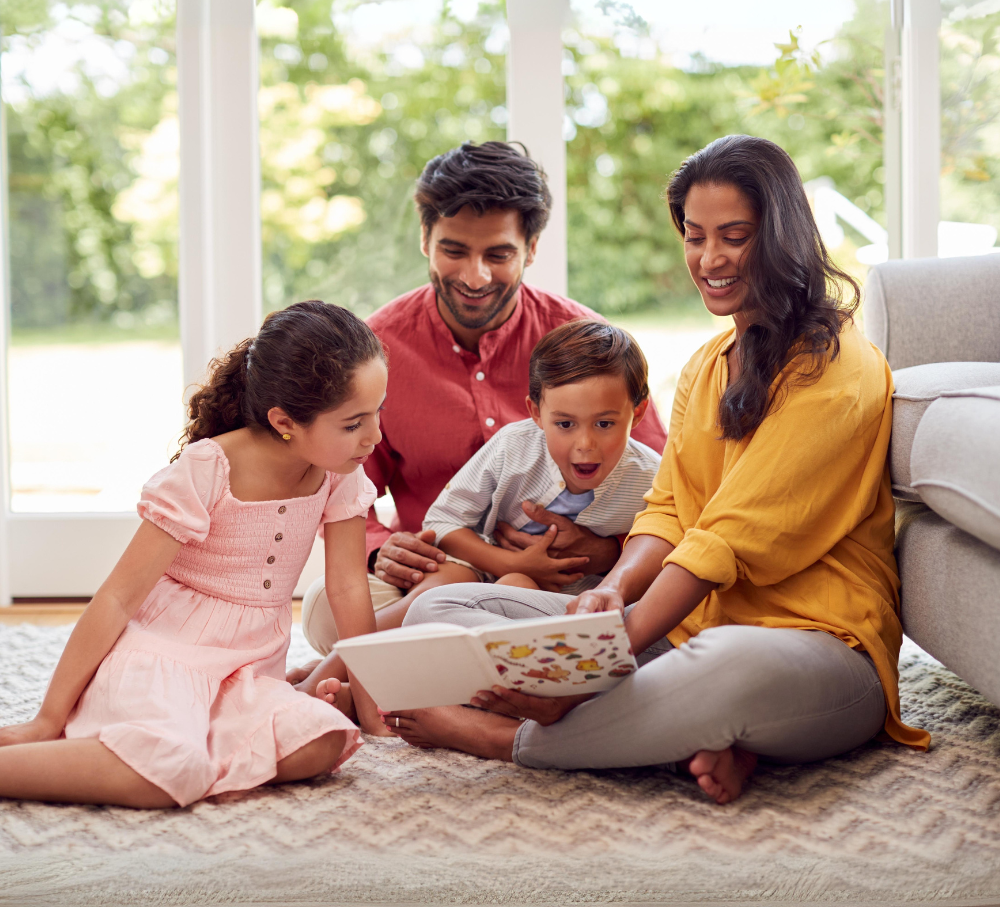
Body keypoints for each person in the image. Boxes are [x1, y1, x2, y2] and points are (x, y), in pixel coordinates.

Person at [381, 135, 931, 805]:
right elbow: (669, 508)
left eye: (735, 235)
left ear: (781, 235)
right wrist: (611, 592)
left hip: (813, 649)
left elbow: (725, 536)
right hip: (688, 630)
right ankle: (695, 741)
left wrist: (602, 649)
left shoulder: (839, 369)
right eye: (695, 235)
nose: (710, 258)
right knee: (442, 607)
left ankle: (508, 738)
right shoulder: (706, 364)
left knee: (725, 673)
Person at [292, 141, 666, 682]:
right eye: (453, 250)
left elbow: (663, 488)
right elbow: (336, 485)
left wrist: (606, 549)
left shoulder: (585, 348)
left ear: (531, 248)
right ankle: (475, 665)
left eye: (497, 254)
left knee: (653, 601)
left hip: (567, 579)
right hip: (435, 567)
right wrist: (379, 550)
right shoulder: (375, 350)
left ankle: (415, 670)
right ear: (424, 239)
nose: (474, 276)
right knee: (330, 605)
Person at [0, 301, 388, 808]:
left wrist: (375, 705)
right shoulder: (210, 468)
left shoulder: (341, 470)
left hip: (249, 665)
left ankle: (184, 758)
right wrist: (47, 718)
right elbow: (117, 597)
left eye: (378, 412)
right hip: (164, 650)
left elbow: (347, 586)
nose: (374, 436)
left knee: (325, 739)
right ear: (285, 421)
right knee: (169, 763)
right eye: (354, 422)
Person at [422, 318, 662, 592]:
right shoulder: (512, 447)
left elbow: (671, 545)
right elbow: (442, 522)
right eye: (565, 424)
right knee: (503, 582)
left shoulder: (653, 480)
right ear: (536, 412)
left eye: (604, 424)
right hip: (487, 574)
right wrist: (511, 565)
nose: (585, 444)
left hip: (587, 599)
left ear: (638, 412)